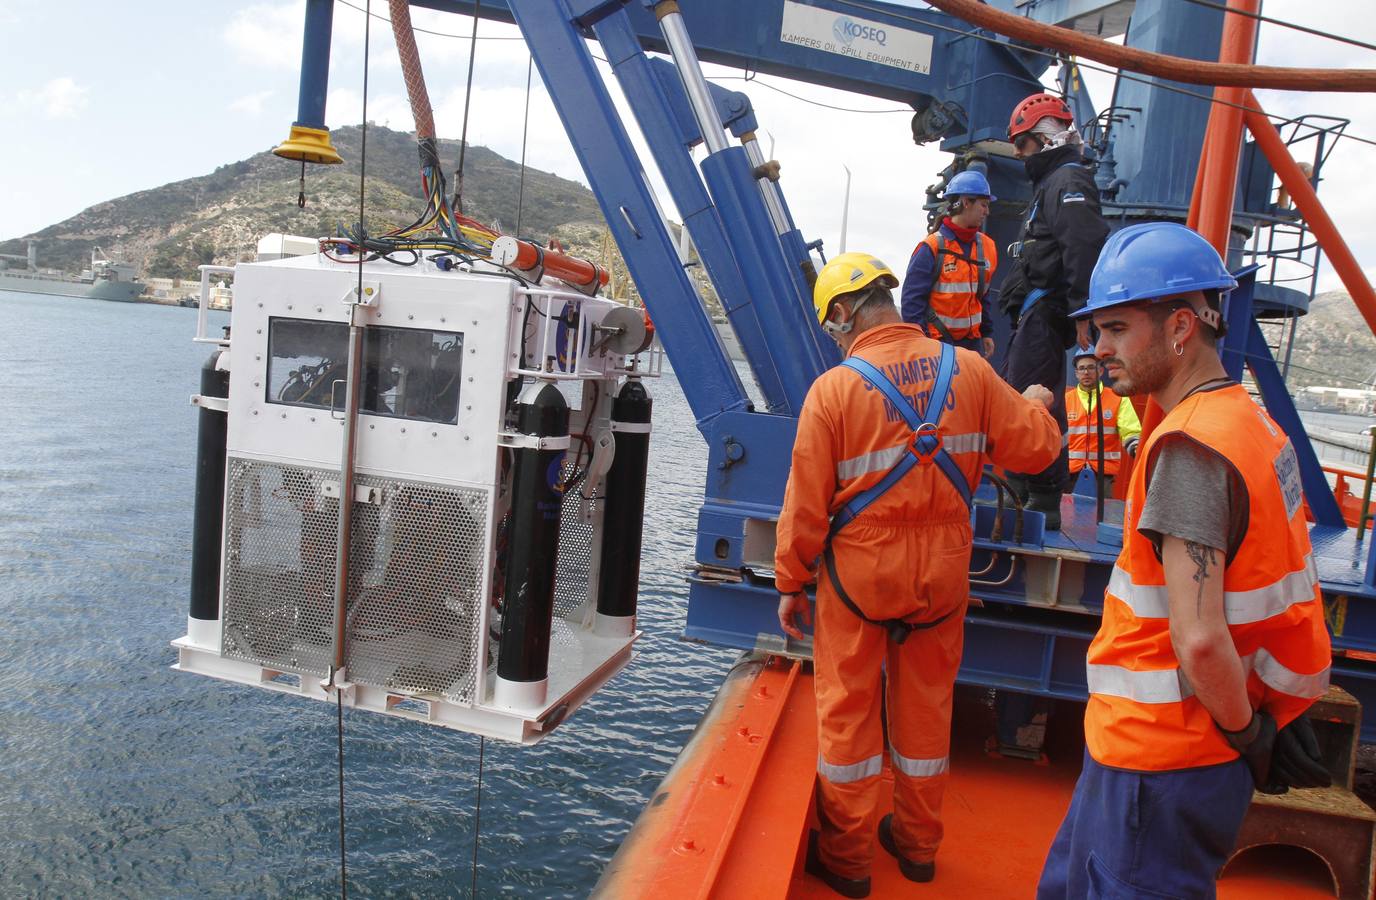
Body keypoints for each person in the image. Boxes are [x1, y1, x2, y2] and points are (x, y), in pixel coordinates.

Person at [1037, 223, 1332, 899]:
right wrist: (1258, 719)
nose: (1097, 348)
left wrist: (1245, 731)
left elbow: (1199, 639)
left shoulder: (1190, 449)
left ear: (1178, 327)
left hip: (1164, 755)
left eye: (1114, 329)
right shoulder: (1251, 424)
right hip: (1163, 750)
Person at [774, 251, 1060, 897]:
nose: (836, 336)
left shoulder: (836, 390)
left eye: (833, 325)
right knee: (926, 717)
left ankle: (847, 863)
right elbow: (1036, 449)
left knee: (848, 713)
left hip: (860, 578)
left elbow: (806, 504)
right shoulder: (973, 371)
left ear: (843, 313)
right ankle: (917, 846)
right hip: (942, 574)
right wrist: (1037, 403)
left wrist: (791, 583)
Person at [999, 92, 1110, 529]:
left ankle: (1043, 497)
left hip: (1045, 312)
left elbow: (1082, 246)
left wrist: (1085, 311)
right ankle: (1029, 486)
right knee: (1021, 396)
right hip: (1035, 312)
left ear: (1045, 139)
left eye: (1023, 144)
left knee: (1037, 404)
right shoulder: (1054, 183)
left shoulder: (1067, 182)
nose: (1017, 153)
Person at [901, 169, 999, 358]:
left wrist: (986, 332)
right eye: (984, 205)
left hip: (971, 347)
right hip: (937, 346)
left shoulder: (988, 247)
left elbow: (983, 295)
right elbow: (912, 303)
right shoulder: (931, 247)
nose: (987, 211)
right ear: (965, 202)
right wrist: (921, 343)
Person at [1065, 349, 1141, 497]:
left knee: (1098, 518)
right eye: (1082, 368)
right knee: (1067, 517)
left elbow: (1130, 431)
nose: (1086, 372)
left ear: (1100, 370)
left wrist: (1137, 450)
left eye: (1091, 367)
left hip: (1103, 475)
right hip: (1069, 474)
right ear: (1076, 373)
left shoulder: (1118, 398)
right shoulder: (1065, 400)